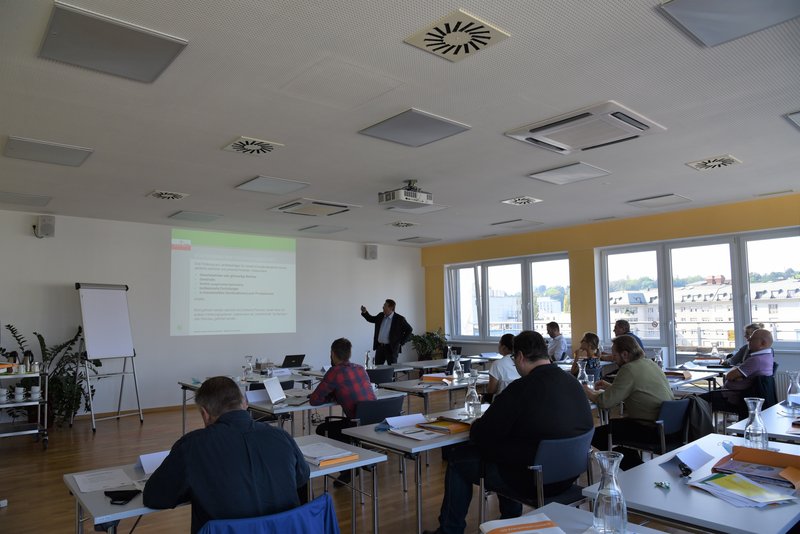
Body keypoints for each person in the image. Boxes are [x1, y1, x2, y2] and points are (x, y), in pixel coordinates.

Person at [424, 331, 594, 534]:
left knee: (458, 460)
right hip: (569, 476)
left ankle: (450, 531)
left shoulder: (521, 388)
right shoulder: (572, 383)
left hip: (533, 480)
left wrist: (476, 424)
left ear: (520, 356)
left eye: (514, 359)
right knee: (510, 453)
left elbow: (482, 433)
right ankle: (509, 520)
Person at [143, 376, 309, 534]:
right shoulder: (281, 436)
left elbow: (155, 497)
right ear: (244, 403)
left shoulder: (192, 446)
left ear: (205, 413)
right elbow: (302, 477)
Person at [584, 335, 673, 470]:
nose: (613, 358)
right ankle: (632, 459)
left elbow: (605, 402)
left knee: (595, 435)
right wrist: (611, 387)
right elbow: (637, 390)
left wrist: (586, 390)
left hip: (649, 429)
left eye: (615, 355)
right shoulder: (650, 364)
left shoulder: (628, 369)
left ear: (625, 354)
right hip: (669, 427)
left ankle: (634, 466)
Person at [309, 337, 376, 484]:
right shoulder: (360, 368)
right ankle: (355, 455)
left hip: (357, 425)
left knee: (322, 429)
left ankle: (348, 468)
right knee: (340, 427)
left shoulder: (335, 372)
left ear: (333, 353)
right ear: (349, 353)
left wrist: (332, 394)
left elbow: (314, 400)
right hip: (375, 422)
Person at [702, 329, 775, 418]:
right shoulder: (767, 355)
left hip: (734, 398)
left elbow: (729, 376)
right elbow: (734, 374)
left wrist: (737, 368)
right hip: (735, 393)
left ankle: (701, 426)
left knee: (697, 401)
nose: (748, 340)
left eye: (752, 339)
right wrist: (738, 372)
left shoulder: (756, 360)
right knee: (703, 397)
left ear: (762, 343)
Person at [360, 299, 413, 365]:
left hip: (391, 348)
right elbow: (371, 319)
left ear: (391, 308)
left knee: (392, 368)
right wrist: (365, 312)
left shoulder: (399, 319)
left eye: (385, 305)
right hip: (380, 347)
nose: (383, 307)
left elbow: (409, 330)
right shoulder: (380, 315)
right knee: (378, 368)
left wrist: (401, 342)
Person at [486, 333, 520, 399]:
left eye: (499, 343)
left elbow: (491, 390)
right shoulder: (522, 362)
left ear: (504, 347)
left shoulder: (497, 364)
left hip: (501, 401)